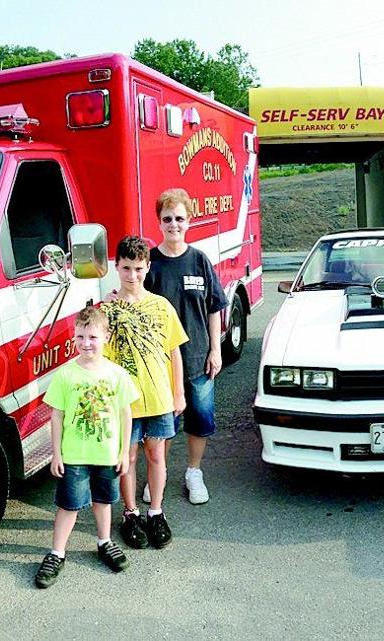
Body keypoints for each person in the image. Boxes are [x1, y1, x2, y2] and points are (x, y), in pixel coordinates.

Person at [34, 306, 139, 588]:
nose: (86, 343)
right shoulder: (66, 374)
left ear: (106, 336)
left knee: (103, 501)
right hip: (73, 456)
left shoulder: (117, 375)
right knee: (68, 505)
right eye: (80, 337)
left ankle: (104, 542)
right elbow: (56, 415)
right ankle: (57, 552)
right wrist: (56, 453)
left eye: (92, 337)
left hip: (106, 455)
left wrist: (123, 452)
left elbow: (125, 414)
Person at [144, 188, 228, 505]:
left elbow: (214, 307)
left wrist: (215, 350)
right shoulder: (150, 264)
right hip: (160, 364)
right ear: (159, 222)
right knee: (164, 425)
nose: (174, 224)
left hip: (198, 361)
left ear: (189, 221)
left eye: (180, 218)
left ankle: (193, 472)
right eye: (167, 219)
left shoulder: (199, 261)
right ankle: (157, 475)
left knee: (200, 420)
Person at [104, 235, 189, 551]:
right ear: (116, 267)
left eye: (139, 268)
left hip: (158, 397)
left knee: (156, 454)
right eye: (126, 268)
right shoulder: (108, 310)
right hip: (124, 402)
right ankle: (129, 513)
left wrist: (178, 393)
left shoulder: (161, 306)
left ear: (148, 267)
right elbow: (98, 356)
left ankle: (156, 511)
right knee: (128, 457)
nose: (132, 276)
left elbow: (175, 351)